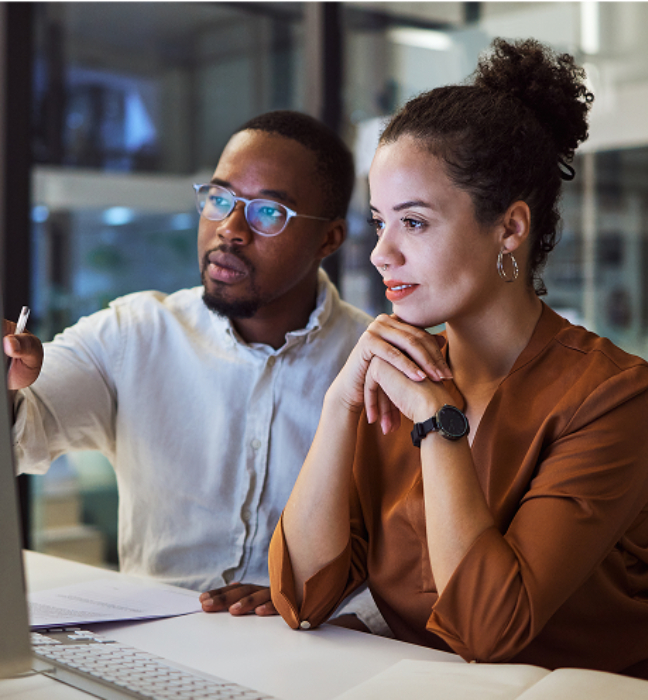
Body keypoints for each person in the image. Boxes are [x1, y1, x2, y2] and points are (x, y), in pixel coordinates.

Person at [269, 40, 648, 687]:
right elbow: (302, 598)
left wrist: (442, 425)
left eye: (413, 224)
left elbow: (488, 629)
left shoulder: (609, 392)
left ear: (510, 229)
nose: (381, 254)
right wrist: (339, 406)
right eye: (381, 222)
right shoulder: (395, 373)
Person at [3, 110, 384, 629]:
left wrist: (327, 602)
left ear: (330, 239)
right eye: (221, 199)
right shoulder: (136, 332)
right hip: (150, 640)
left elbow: (407, 561)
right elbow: (22, 436)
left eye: (269, 212)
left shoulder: (374, 365)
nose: (229, 229)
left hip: (310, 645)